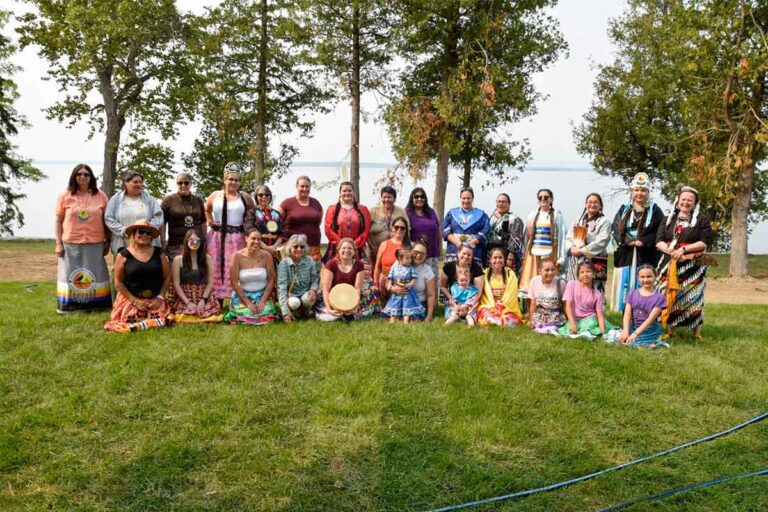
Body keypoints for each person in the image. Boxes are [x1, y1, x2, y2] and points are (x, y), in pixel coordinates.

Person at [655, 184, 713, 341]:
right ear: (678, 200)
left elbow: (703, 243)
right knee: (670, 297)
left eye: (690, 200)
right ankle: (670, 329)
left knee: (692, 298)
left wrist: (683, 251)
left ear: (695, 203)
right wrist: (672, 252)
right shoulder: (668, 219)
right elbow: (659, 241)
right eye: (683, 199)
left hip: (692, 265)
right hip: (668, 264)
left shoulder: (702, 220)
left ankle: (696, 332)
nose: (686, 202)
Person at [54, 164, 112, 313]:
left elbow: (107, 220)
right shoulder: (65, 196)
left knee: (96, 274)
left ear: (91, 177)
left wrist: (108, 241)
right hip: (70, 243)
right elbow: (58, 220)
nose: (82, 177)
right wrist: (58, 244)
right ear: (74, 176)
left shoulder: (100, 195)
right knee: (70, 274)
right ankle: (70, 307)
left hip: (95, 242)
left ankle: (97, 306)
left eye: (86, 174)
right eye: (79, 174)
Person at [610, 172, 664, 312]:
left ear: (648, 192)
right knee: (626, 283)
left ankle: (644, 312)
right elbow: (616, 227)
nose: (639, 193)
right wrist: (627, 240)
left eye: (643, 190)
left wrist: (643, 241)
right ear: (632, 191)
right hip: (626, 252)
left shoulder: (655, 210)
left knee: (644, 280)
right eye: (637, 190)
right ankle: (625, 314)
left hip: (645, 253)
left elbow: (659, 230)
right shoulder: (624, 208)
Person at [104, 220, 170, 333]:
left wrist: (160, 297)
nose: (145, 235)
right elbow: (118, 282)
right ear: (133, 234)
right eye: (141, 231)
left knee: (161, 317)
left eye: (148, 233)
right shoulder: (123, 255)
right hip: (131, 298)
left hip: (155, 299)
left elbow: (167, 277)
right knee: (130, 318)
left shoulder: (160, 253)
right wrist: (135, 301)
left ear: (151, 237)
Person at [205, 167, 255, 300]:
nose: (233, 182)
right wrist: (210, 222)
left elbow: (252, 213)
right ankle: (217, 301)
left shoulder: (245, 197)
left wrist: (248, 230)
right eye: (230, 179)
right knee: (216, 268)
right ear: (224, 180)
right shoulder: (215, 195)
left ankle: (238, 301)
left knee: (236, 268)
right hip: (217, 239)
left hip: (237, 238)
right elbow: (206, 210)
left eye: (236, 180)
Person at [606, 265, 669, 349]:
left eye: (649, 276)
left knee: (634, 344)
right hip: (633, 327)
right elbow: (627, 314)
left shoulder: (659, 298)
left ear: (655, 276)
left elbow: (650, 319)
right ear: (638, 278)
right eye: (642, 277)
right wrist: (625, 331)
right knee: (620, 339)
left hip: (649, 330)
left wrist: (635, 334)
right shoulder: (632, 294)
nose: (645, 280)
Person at [224, 229, 280, 325]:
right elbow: (234, 282)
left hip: (262, 294)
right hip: (243, 295)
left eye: (259, 239)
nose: (256, 242)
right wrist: (248, 303)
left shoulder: (267, 256)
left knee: (266, 312)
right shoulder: (237, 256)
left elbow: (271, 280)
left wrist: (263, 301)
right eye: (253, 238)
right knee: (245, 313)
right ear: (246, 238)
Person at [518, 188, 566, 297]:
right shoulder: (532, 215)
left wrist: (561, 257)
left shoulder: (557, 216)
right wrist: (523, 253)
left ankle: (549, 307)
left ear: (551, 199)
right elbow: (527, 236)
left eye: (546, 197)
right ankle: (531, 309)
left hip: (549, 253)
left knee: (548, 280)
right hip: (533, 253)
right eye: (540, 197)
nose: (543, 199)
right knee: (531, 281)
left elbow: (562, 236)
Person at [169, 229, 222, 323]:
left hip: (203, 295)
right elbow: (176, 284)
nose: (195, 242)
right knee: (182, 315)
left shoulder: (207, 258)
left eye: (198, 240)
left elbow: (210, 282)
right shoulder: (178, 260)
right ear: (186, 241)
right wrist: (188, 302)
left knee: (210, 313)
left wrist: (203, 300)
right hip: (185, 296)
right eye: (191, 239)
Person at [105, 171, 163, 255]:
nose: (139, 184)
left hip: (146, 241)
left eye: (141, 182)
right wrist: (125, 231)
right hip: (124, 243)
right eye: (135, 182)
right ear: (126, 183)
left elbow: (159, 216)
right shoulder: (115, 199)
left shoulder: (150, 199)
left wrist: (148, 229)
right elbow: (108, 218)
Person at [564, 193, 612, 294]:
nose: (592, 204)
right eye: (590, 202)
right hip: (576, 260)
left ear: (600, 205)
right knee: (575, 288)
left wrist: (582, 250)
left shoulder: (605, 221)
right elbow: (568, 237)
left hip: (595, 259)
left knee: (594, 289)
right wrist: (571, 248)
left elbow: (602, 241)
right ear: (586, 204)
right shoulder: (578, 220)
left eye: (595, 202)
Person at [556, 261, 615, 339]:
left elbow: (600, 315)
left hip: (590, 318)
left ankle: (591, 331)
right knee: (570, 329)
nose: (585, 274)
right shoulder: (571, 285)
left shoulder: (597, 294)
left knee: (591, 324)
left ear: (594, 274)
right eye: (582, 272)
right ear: (578, 275)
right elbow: (568, 306)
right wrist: (572, 323)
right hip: (574, 319)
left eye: (588, 271)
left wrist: (603, 332)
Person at [315, 238, 365, 321]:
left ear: (354, 251)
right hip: (332, 299)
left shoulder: (359, 265)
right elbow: (326, 289)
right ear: (338, 250)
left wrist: (354, 306)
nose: (347, 250)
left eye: (350, 248)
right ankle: (341, 315)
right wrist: (329, 308)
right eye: (344, 248)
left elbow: (357, 289)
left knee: (371, 297)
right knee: (328, 316)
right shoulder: (331, 264)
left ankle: (349, 314)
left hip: (350, 297)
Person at [277, 175, 324, 263]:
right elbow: (275, 222)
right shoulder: (287, 203)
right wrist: (281, 240)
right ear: (297, 186)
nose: (305, 189)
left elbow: (319, 221)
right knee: (293, 275)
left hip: (314, 248)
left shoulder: (316, 203)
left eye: (307, 186)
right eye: (302, 186)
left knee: (313, 275)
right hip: (294, 248)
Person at [161, 171, 207, 259]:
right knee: (177, 270)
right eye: (180, 183)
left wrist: (205, 241)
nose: (183, 185)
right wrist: (163, 242)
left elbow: (203, 222)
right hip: (176, 246)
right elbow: (162, 223)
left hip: (196, 244)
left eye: (186, 183)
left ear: (191, 184)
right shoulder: (168, 200)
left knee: (196, 271)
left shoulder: (198, 201)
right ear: (176, 184)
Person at [323, 181, 371, 261]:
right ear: (340, 193)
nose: (347, 193)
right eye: (344, 191)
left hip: (357, 248)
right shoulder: (332, 209)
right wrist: (342, 245)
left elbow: (366, 230)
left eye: (349, 191)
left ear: (353, 192)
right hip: (337, 248)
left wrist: (353, 245)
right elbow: (328, 229)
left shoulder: (363, 209)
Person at [475, 247, 523, 327]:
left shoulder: (510, 274)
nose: (498, 260)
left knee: (508, 318)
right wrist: (493, 306)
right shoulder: (485, 274)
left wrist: (500, 305)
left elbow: (511, 294)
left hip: (506, 306)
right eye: (495, 258)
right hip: (489, 306)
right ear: (490, 260)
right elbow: (482, 294)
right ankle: (496, 320)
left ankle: (499, 320)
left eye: (500, 257)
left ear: (504, 260)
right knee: (488, 317)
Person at [276, 234, 319, 322]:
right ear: (289, 248)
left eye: (302, 247)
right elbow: (282, 287)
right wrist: (285, 312)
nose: (299, 249)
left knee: (308, 299)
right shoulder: (284, 264)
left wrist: (313, 290)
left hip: (305, 293)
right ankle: (292, 311)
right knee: (294, 303)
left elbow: (315, 279)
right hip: (291, 295)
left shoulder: (310, 260)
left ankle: (305, 311)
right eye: (295, 247)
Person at [405, 187, 441, 292]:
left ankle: (432, 307)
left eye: (422, 196)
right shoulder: (407, 213)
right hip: (416, 255)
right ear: (412, 198)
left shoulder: (431, 212)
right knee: (417, 282)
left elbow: (438, 230)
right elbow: (405, 234)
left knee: (431, 281)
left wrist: (439, 248)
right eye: (416, 196)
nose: (419, 199)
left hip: (432, 254)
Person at [442, 187, 489, 265]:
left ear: (472, 198)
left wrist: (470, 244)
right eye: (463, 198)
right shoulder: (451, 213)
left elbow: (485, 230)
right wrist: (457, 243)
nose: (466, 201)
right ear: (460, 198)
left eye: (468, 198)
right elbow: (445, 230)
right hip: (454, 251)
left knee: (472, 275)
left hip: (474, 252)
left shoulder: (481, 215)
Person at [382, 247, 425, 323]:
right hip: (396, 290)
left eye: (410, 258)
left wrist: (410, 284)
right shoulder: (394, 268)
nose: (410, 260)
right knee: (395, 304)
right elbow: (390, 278)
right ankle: (393, 318)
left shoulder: (411, 268)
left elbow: (414, 278)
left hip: (407, 290)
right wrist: (389, 285)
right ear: (400, 259)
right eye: (407, 258)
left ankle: (406, 320)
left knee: (407, 304)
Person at [373, 216, 409, 301]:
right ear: (392, 228)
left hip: (402, 283)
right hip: (385, 282)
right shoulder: (384, 244)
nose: (399, 229)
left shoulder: (409, 246)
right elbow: (377, 268)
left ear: (406, 230)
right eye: (396, 227)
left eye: (402, 228)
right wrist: (375, 285)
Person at [368, 185, 409, 261]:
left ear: (394, 199)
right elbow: (366, 231)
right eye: (384, 197)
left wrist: (405, 248)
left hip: (396, 251)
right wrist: (371, 246)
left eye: (389, 197)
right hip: (375, 250)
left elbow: (407, 231)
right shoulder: (373, 211)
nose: (386, 199)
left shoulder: (401, 212)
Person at [487, 193, 524, 274]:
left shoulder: (514, 219)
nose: (501, 204)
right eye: (499, 201)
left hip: (506, 255)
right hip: (491, 255)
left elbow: (515, 241)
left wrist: (510, 258)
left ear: (509, 204)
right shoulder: (491, 219)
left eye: (504, 202)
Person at [528, 258, 567, 334]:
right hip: (540, 313)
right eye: (547, 270)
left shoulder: (561, 283)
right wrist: (530, 320)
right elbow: (533, 304)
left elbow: (565, 305)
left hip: (555, 314)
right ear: (540, 271)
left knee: (553, 327)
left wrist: (569, 320)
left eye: (553, 270)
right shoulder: (534, 281)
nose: (550, 273)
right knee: (538, 326)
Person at [244, 184, 283, 258]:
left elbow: (282, 233)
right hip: (257, 249)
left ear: (270, 197)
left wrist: (274, 246)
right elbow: (250, 230)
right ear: (256, 197)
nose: (264, 197)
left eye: (267, 195)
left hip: (275, 250)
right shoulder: (251, 213)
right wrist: (265, 247)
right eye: (260, 195)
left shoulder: (277, 214)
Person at [408, 240, 436, 322]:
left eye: (422, 254)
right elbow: (391, 283)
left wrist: (429, 316)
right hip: (401, 300)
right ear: (411, 251)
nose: (418, 255)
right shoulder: (401, 263)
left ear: (426, 256)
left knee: (413, 320)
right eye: (416, 252)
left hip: (419, 303)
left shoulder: (427, 270)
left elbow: (431, 295)